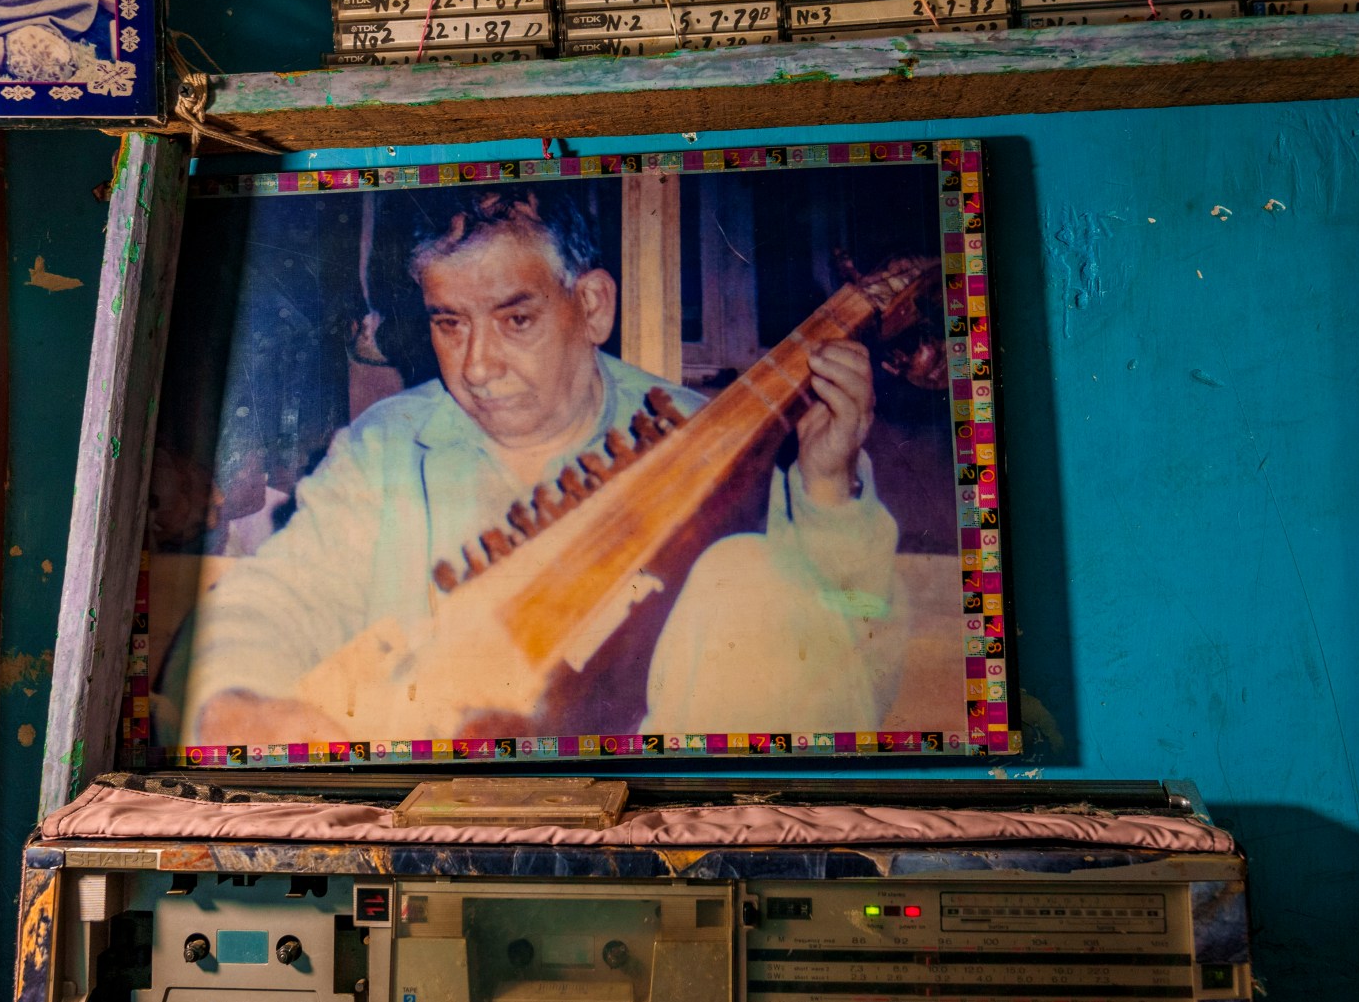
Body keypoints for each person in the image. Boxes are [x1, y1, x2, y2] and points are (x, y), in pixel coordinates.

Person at [180, 189, 903, 747]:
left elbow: (857, 667)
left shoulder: (706, 443)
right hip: (443, 821)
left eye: (515, 319)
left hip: (647, 839)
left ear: (590, 306)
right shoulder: (388, 448)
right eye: (449, 322)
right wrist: (238, 703)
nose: (477, 366)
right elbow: (272, 600)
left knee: (749, 574)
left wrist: (830, 494)